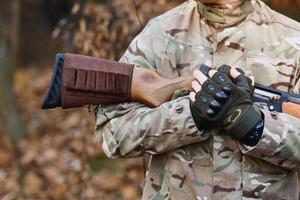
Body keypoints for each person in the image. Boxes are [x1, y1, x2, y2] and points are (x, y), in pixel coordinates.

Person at [95, 0, 300, 199]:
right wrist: (189, 114)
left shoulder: (293, 40)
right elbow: (113, 134)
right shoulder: (159, 34)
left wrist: (252, 124)